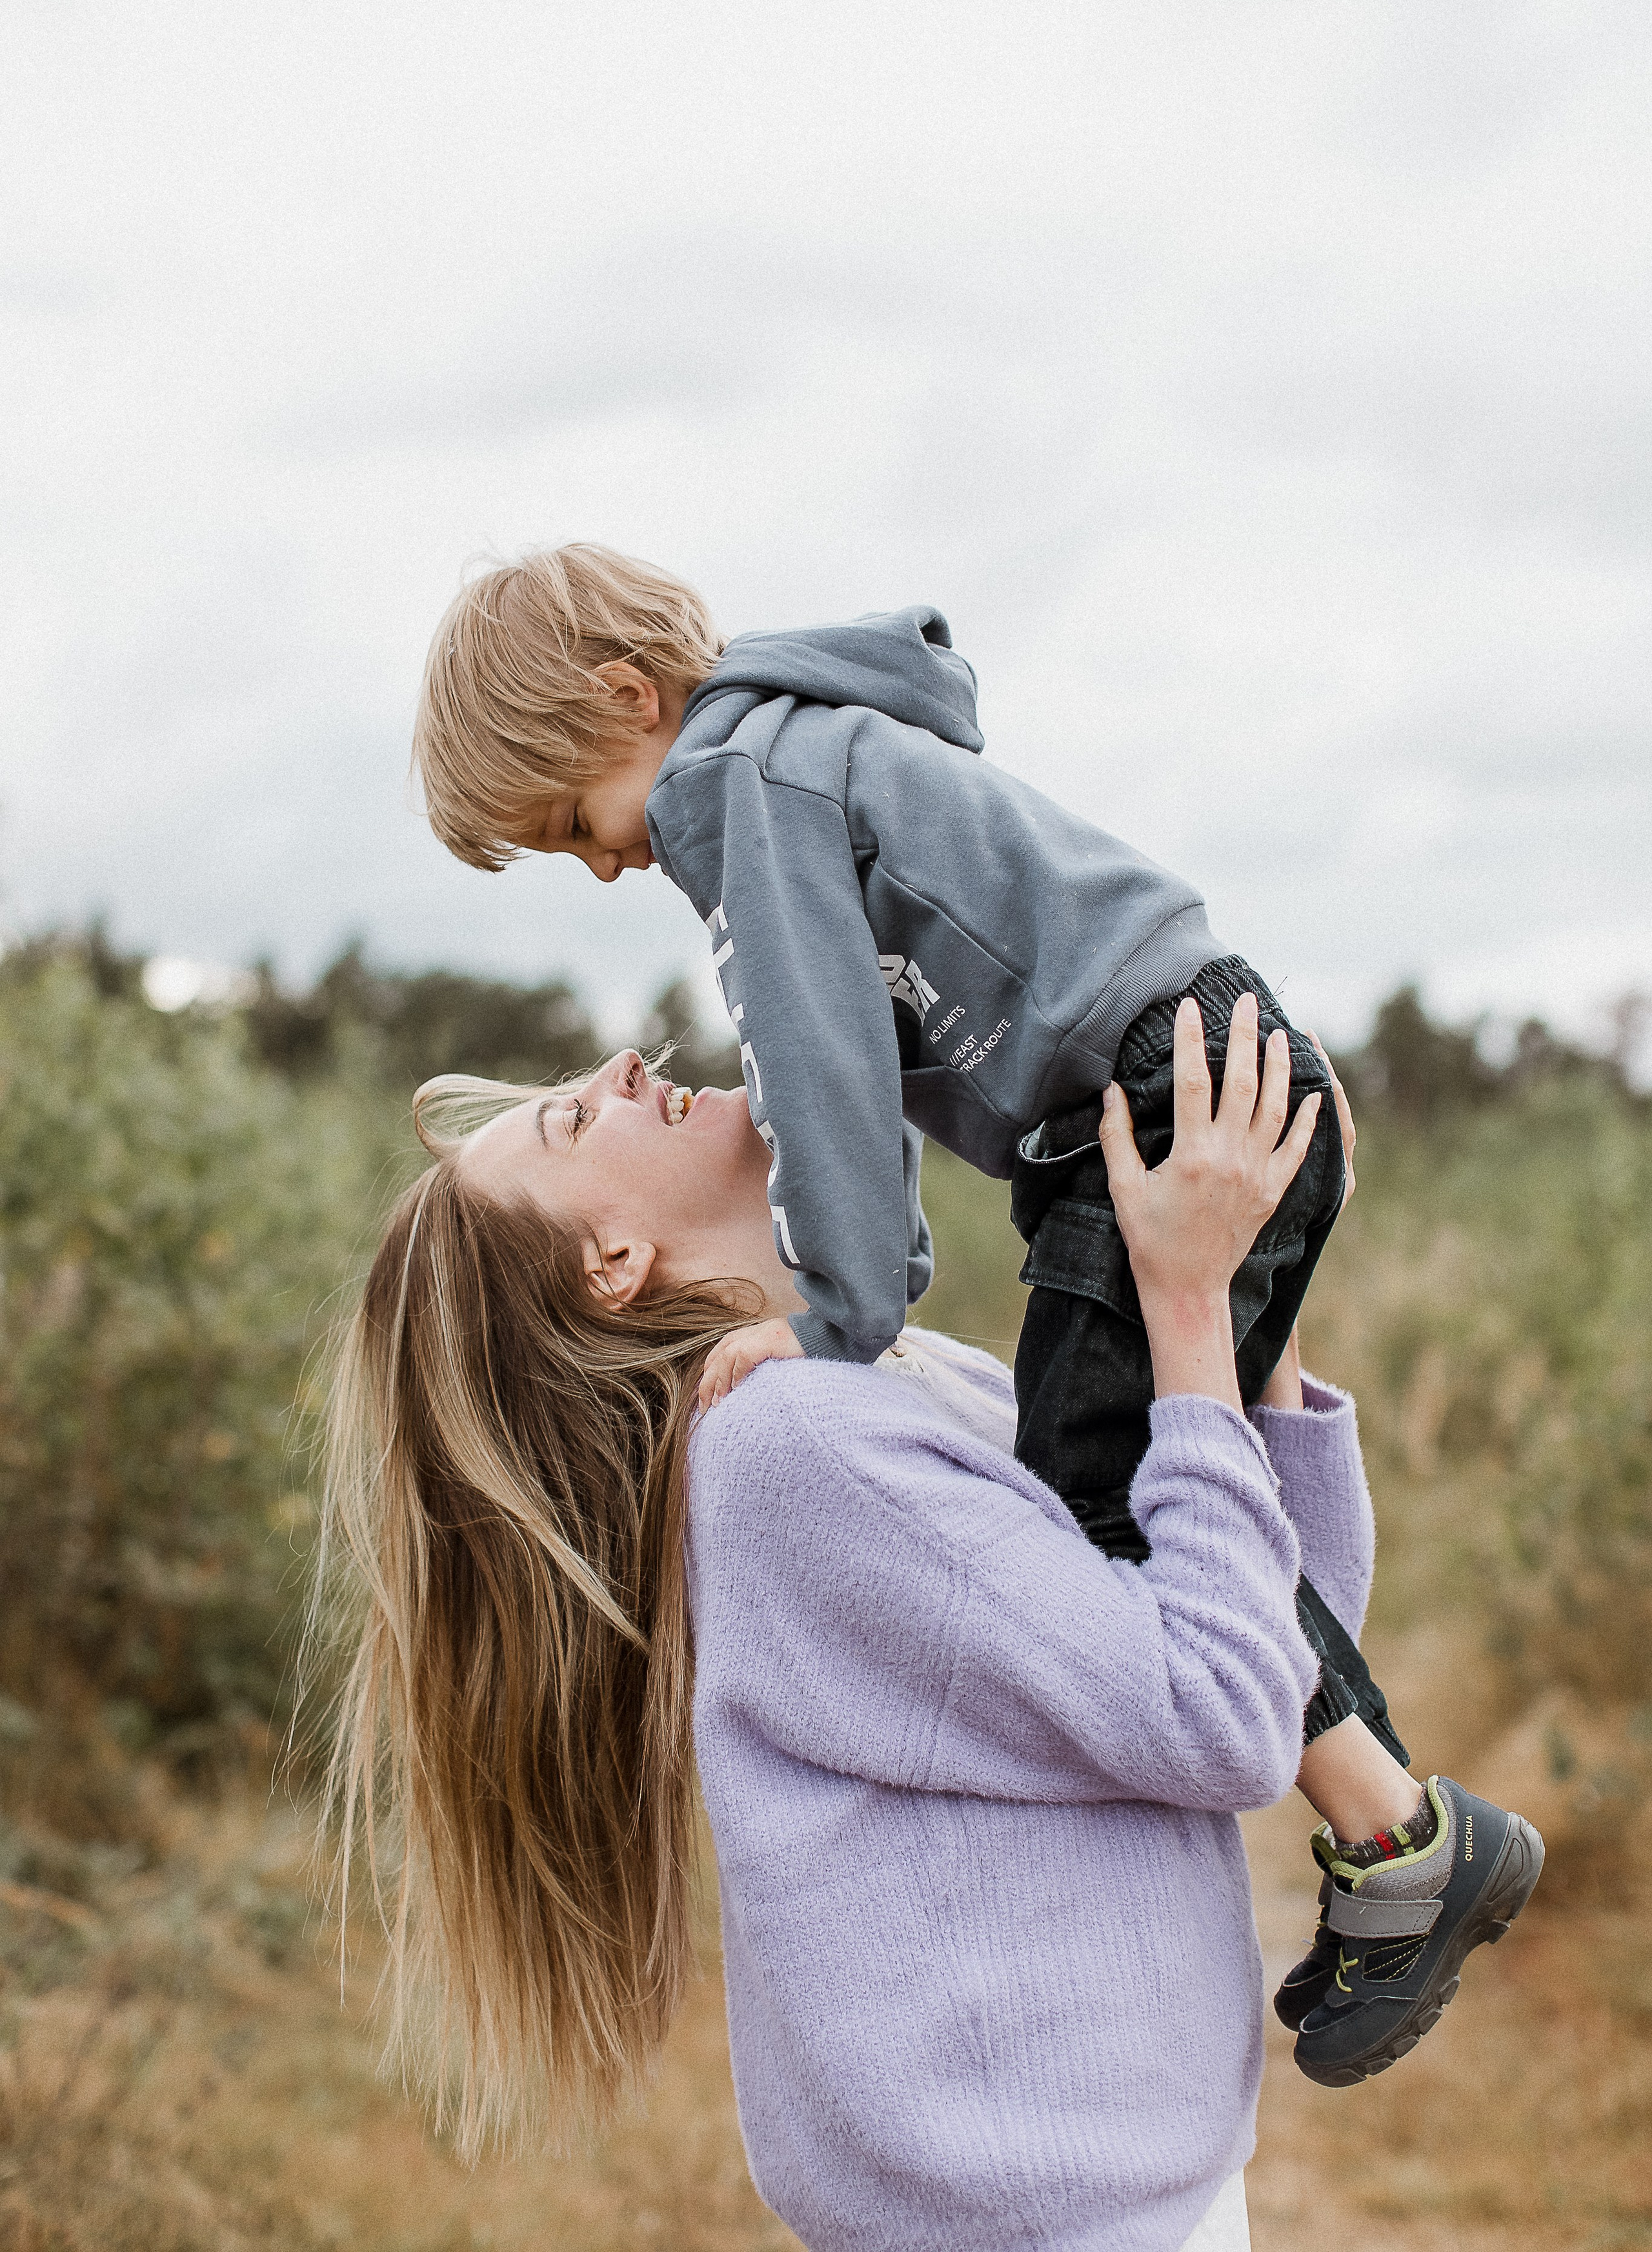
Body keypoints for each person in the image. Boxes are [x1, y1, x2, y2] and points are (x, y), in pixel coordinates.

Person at [410, 543, 1542, 2078]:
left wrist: (839, 1316)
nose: (608, 864)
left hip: (1141, 1100)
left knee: (1097, 1503)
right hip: (1184, 1064)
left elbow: (812, 1067)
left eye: (571, 827)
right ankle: (1402, 1834)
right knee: (1119, 1495)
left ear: (626, 700)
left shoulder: (731, 788)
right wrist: (1187, 1295)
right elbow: (850, 1073)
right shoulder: (809, 746)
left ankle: (1401, 1841)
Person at [316, 1001, 1540, 2248]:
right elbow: (1220, 1717)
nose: (622, 1066)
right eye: (576, 1120)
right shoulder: (791, 1452)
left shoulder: (892, 1381)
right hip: (1041, 2218)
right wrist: (1181, 1300)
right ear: (613, 1262)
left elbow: (1276, 1661)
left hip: (1120, 2189)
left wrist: (1251, 1290)